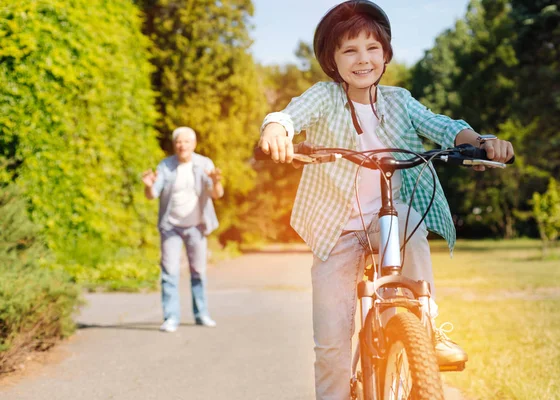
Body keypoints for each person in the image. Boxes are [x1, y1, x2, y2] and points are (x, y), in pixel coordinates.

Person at [258, 1, 514, 399]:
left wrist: (479, 143)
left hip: (388, 219)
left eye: (372, 48)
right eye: (350, 50)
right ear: (333, 60)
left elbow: (442, 127)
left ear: (386, 53)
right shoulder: (325, 97)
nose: (363, 59)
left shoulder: (399, 100)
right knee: (331, 345)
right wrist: (276, 129)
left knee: (410, 227)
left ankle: (424, 327)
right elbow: (291, 115)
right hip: (337, 228)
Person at [142, 126, 224, 333]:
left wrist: (215, 182)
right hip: (171, 226)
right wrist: (148, 185)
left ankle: (201, 313)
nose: (182, 145)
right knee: (169, 272)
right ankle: (171, 318)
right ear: (174, 144)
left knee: (198, 271)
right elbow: (152, 194)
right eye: (179, 142)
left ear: (193, 144)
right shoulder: (166, 165)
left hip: (196, 226)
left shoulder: (204, 164)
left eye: (186, 142)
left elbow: (216, 194)